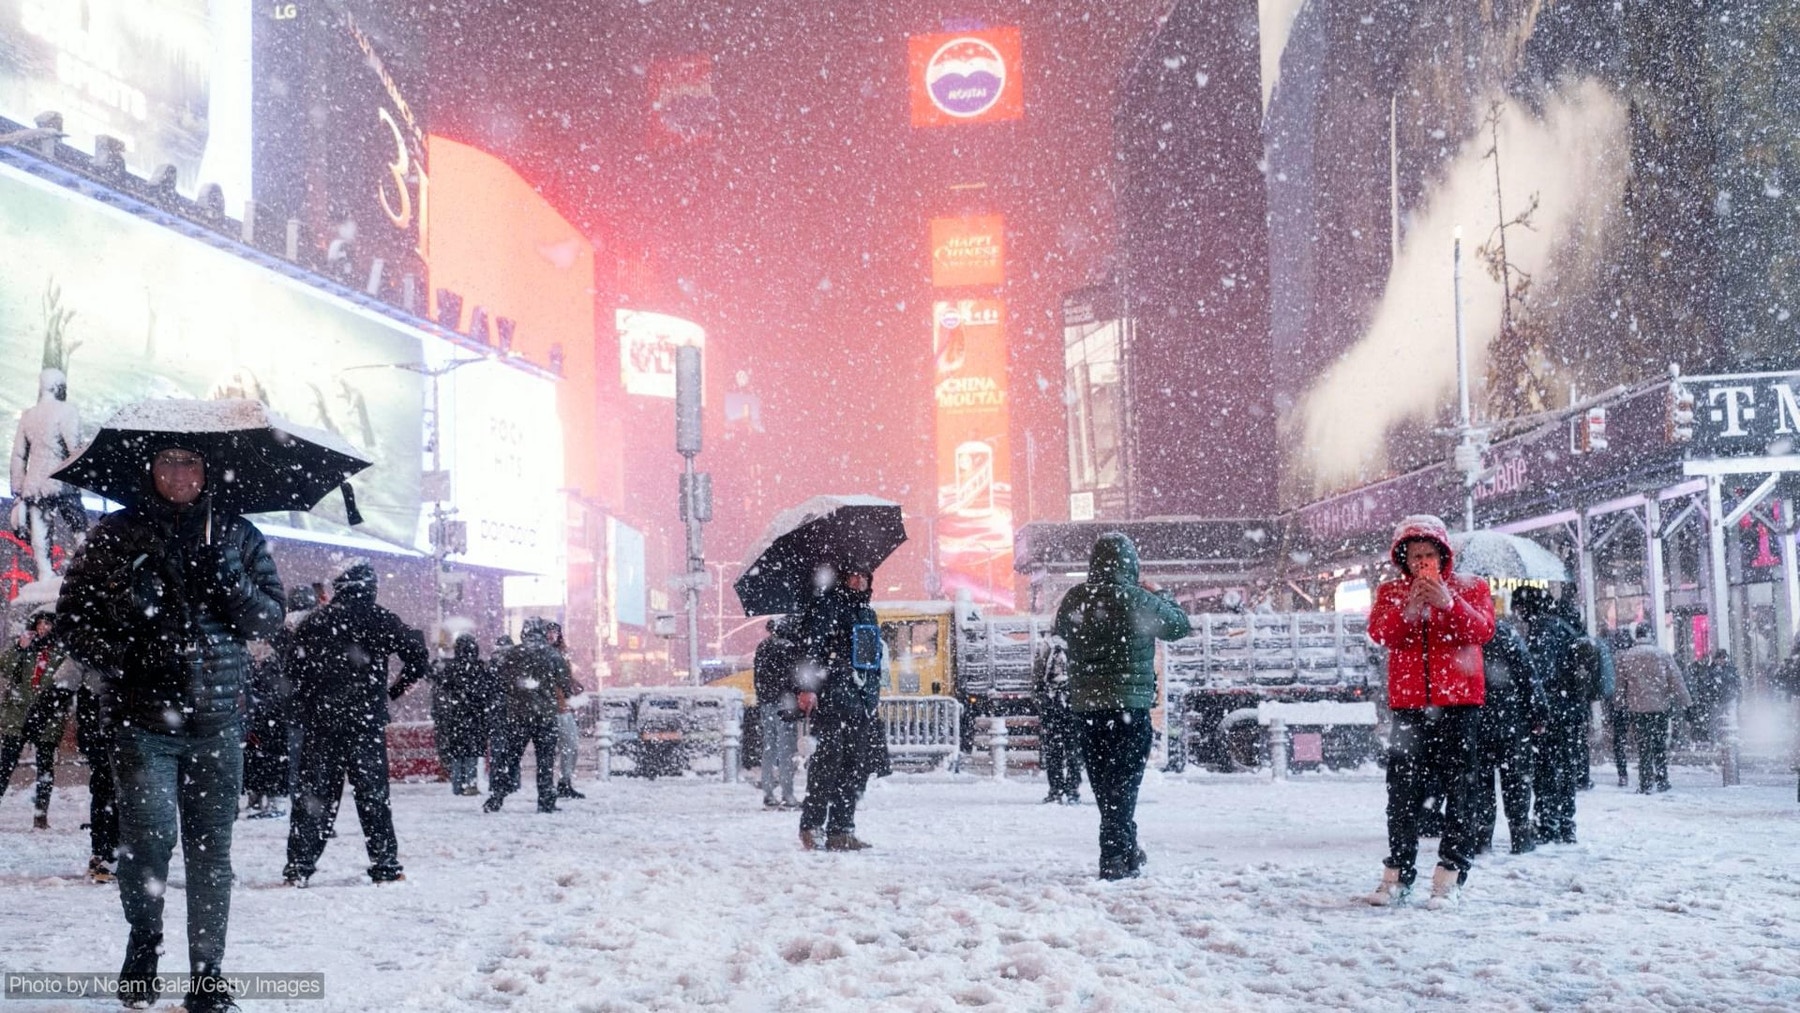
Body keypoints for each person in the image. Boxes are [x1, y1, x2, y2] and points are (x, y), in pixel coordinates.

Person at [57, 442, 286, 1012]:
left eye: (190, 463)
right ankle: (145, 940)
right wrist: (128, 651)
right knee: (149, 845)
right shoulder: (117, 534)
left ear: (208, 471)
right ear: (150, 471)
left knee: (212, 853)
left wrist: (228, 576)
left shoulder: (236, 533)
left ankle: (208, 976)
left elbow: (270, 617)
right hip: (142, 723)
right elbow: (71, 620)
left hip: (217, 722)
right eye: (167, 463)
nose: (178, 475)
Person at [1365, 515, 1494, 908]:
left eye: (1428, 554)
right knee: (1401, 793)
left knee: (1460, 792)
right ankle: (1398, 875)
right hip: (1410, 706)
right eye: (1415, 555)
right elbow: (1382, 635)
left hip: (1458, 705)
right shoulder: (1390, 593)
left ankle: (1450, 876)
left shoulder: (1471, 588)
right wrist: (1408, 609)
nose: (1422, 561)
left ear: (1442, 555)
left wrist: (1448, 604)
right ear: (1403, 559)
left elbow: (1483, 631)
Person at [282, 561, 431, 887]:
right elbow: (418, 656)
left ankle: (299, 866)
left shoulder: (316, 621)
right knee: (373, 797)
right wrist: (393, 691)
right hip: (365, 723)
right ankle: (386, 865)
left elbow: (293, 670)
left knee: (315, 797)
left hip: (322, 723)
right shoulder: (379, 619)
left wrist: (311, 702)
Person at [1053, 533, 1192, 880]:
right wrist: (1159, 593)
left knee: (1104, 784)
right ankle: (1113, 855)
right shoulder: (1137, 599)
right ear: (1130, 564)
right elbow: (1179, 626)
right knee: (1125, 783)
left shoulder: (1075, 599)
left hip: (1087, 708)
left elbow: (1062, 631)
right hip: (1130, 707)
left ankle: (1126, 847)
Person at [794, 565, 884, 851]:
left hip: (860, 701)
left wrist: (871, 696)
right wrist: (807, 688)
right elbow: (812, 648)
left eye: (864, 576)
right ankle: (812, 826)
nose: (859, 581)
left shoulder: (868, 613)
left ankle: (842, 829)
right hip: (833, 697)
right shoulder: (827, 607)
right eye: (854, 576)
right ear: (844, 578)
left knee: (855, 767)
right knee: (826, 765)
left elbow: (873, 661)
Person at [1472, 610, 1544, 854]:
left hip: (1476, 720)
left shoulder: (1466, 633)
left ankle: (1482, 837)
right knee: (1517, 781)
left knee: (1480, 783)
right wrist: (1538, 712)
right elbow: (1528, 674)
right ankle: (1520, 835)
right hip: (1511, 720)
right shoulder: (1506, 633)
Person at [484, 617, 573, 814]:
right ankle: (545, 800)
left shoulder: (513, 654)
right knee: (545, 760)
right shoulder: (552, 654)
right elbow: (566, 683)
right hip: (545, 715)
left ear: (524, 633)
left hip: (518, 714)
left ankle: (497, 796)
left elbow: (499, 679)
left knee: (511, 758)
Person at [0, 608, 72, 830]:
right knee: (5, 764)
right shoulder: (24, 649)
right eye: (40, 624)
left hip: (48, 715)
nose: (43, 629)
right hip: (18, 713)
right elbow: (5, 667)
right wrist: (18, 649)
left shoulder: (61, 652)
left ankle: (41, 814)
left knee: (45, 766)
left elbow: (65, 682)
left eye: (48, 624)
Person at [1614, 623, 1692, 793]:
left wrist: (1619, 704)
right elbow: (1676, 680)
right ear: (1650, 635)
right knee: (1659, 744)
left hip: (1638, 707)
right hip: (1660, 707)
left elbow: (1620, 684)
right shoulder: (1662, 654)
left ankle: (1645, 781)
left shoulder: (1627, 656)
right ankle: (1662, 779)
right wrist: (1687, 703)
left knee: (1643, 746)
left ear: (1637, 636)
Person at [432, 634, 491, 796]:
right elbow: (487, 689)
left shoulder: (450, 667)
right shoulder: (480, 667)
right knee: (472, 752)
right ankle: (470, 784)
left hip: (455, 716)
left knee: (457, 753)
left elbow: (436, 678)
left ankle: (457, 785)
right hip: (475, 716)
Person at [752, 616, 803, 809]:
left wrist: (763, 696)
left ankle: (768, 793)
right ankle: (787, 794)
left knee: (769, 747)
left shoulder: (762, 647)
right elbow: (793, 677)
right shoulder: (788, 648)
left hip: (766, 702)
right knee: (786, 749)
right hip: (785, 703)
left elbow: (758, 676)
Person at [1033, 635, 1084, 805]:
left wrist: (1042, 702)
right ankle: (1071, 789)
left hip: (1053, 706)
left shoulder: (1046, 646)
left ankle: (1057, 789)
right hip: (1071, 706)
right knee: (1073, 750)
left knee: (1055, 751)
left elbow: (1036, 679)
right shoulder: (1078, 643)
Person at [546, 621, 586, 800]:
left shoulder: (561, 653)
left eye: (554, 632)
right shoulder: (543, 655)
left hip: (562, 707)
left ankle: (564, 781)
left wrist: (572, 684)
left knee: (570, 745)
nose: (551, 635)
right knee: (552, 748)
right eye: (548, 632)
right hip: (550, 707)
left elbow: (564, 677)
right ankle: (552, 784)